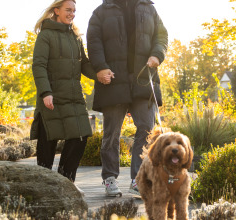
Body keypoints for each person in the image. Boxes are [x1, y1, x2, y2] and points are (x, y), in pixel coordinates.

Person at [87, 0, 168, 196]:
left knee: (147, 130)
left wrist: (157, 54)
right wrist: (100, 67)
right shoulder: (101, 12)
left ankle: (139, 179)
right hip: (114, 79)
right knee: (111, 133)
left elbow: (161, 36)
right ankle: (110, 178)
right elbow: (93, 41)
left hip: (142, 78)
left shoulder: (149, 8)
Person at [30, 0, 105, 191]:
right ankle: (44, 184)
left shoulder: (75, 37)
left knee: (81, 136)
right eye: (68, 10)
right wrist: (46, 93)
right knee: (48, 142)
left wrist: (98, 74)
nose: (72, 13)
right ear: (56, 10)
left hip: (73, 98)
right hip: (51, 97)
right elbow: (39, 66)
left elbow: (84, 64)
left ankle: (66, 181)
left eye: (74, 11)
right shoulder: (45, 35)